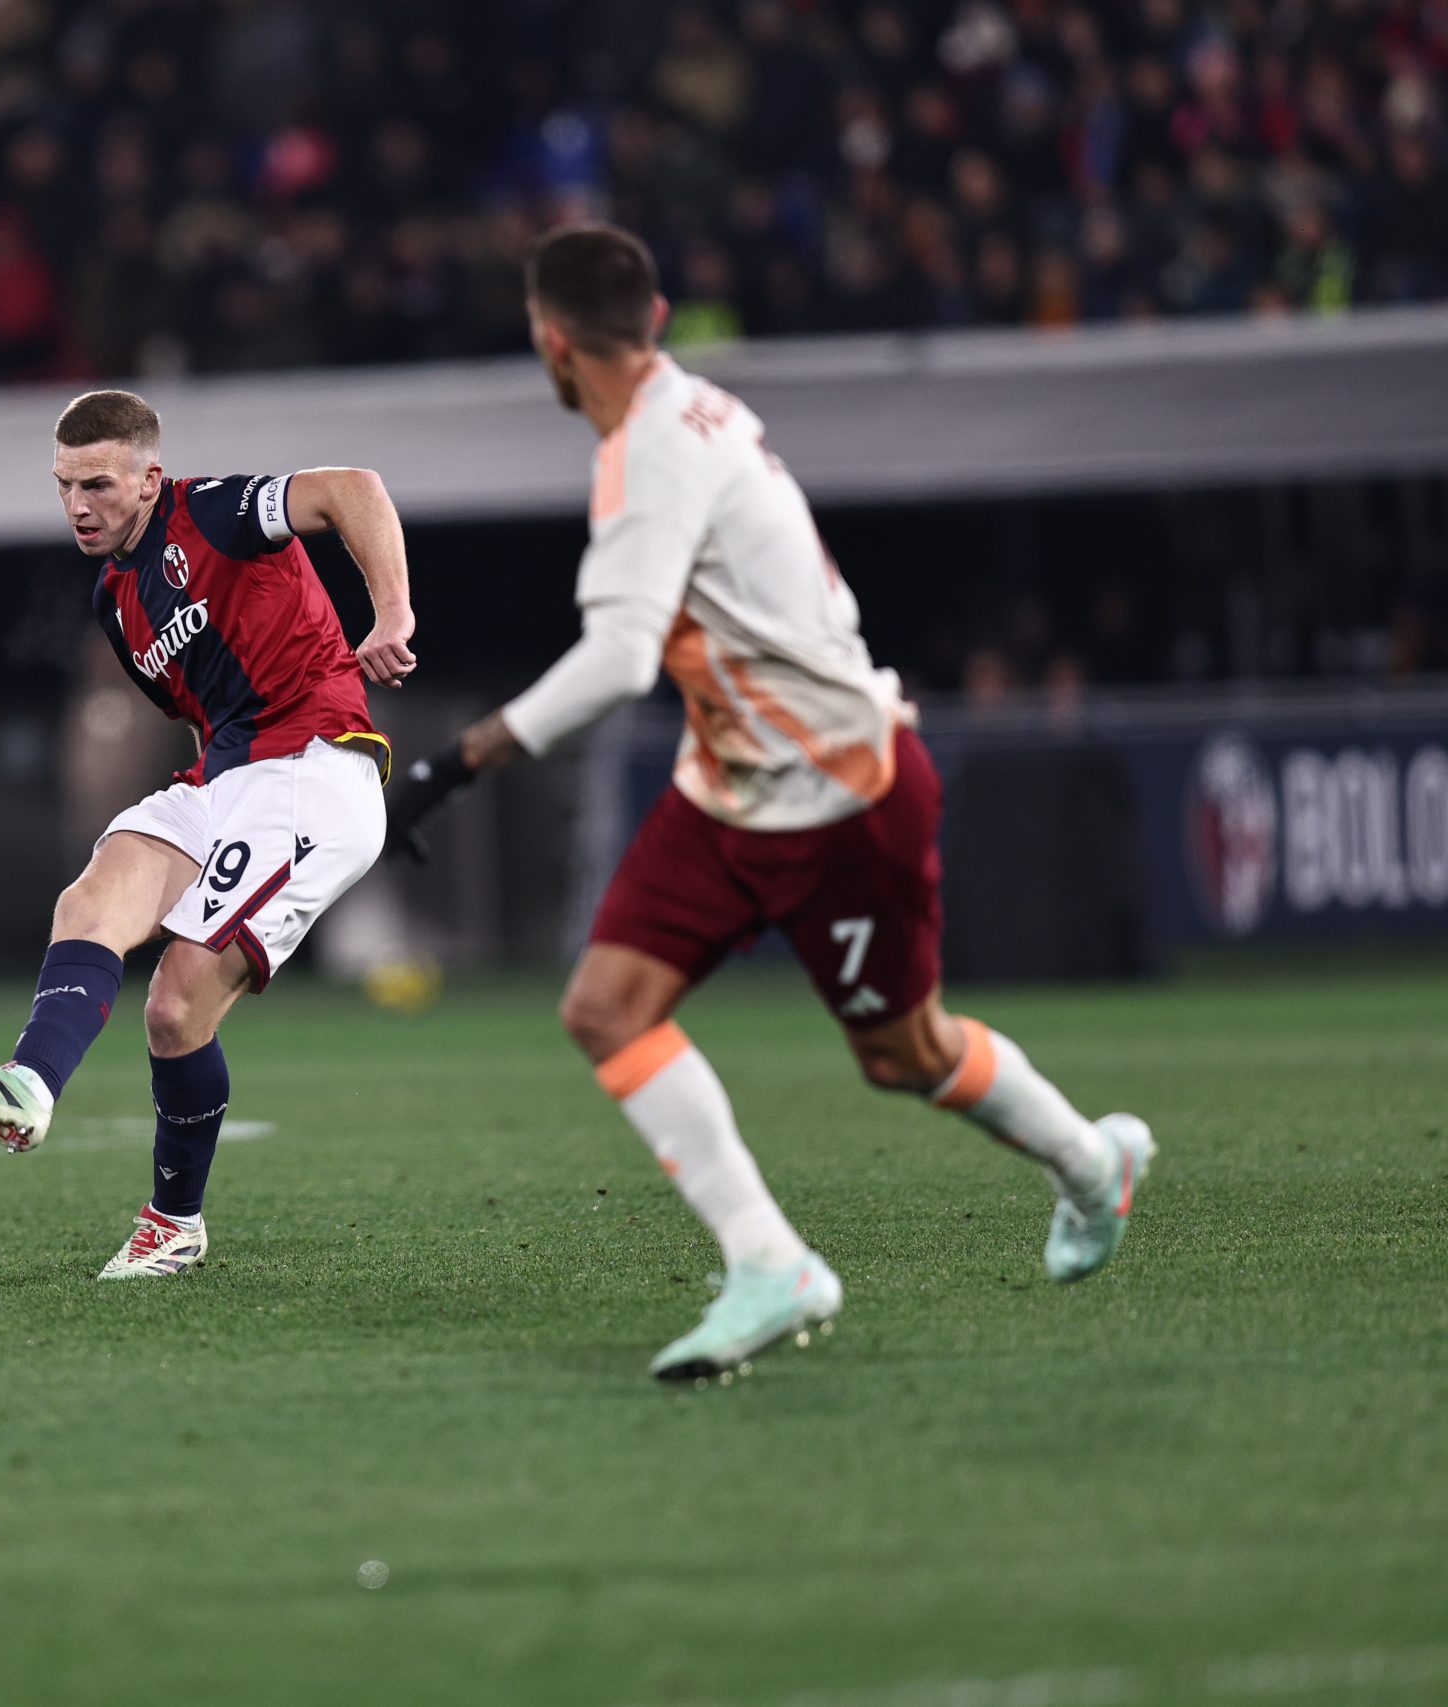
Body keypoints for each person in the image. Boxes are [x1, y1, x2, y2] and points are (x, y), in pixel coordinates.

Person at [387, 227, 1155, 1381]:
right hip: (731, 787)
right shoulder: (691, 408)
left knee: (905, 1054)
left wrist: (450, 766)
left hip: (841, 789)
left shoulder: (649, 451)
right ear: (650, 320)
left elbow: (617, 660)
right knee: (605, 1007)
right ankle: (769, 1263)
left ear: (551, 342)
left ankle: (1091, 1166)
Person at [0, 389, 417, 1278]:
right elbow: (207, 709)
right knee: (93, 895)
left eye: (97, 483)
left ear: (148, 477)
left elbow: (353, 488)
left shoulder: (214, 510)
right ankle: (28, 1086)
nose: (77, 505)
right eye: (63, 485)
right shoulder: (115, 599)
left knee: (175, 1005)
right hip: (225, 775)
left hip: (313, 770)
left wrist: (393, 613)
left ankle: (173, 1222)